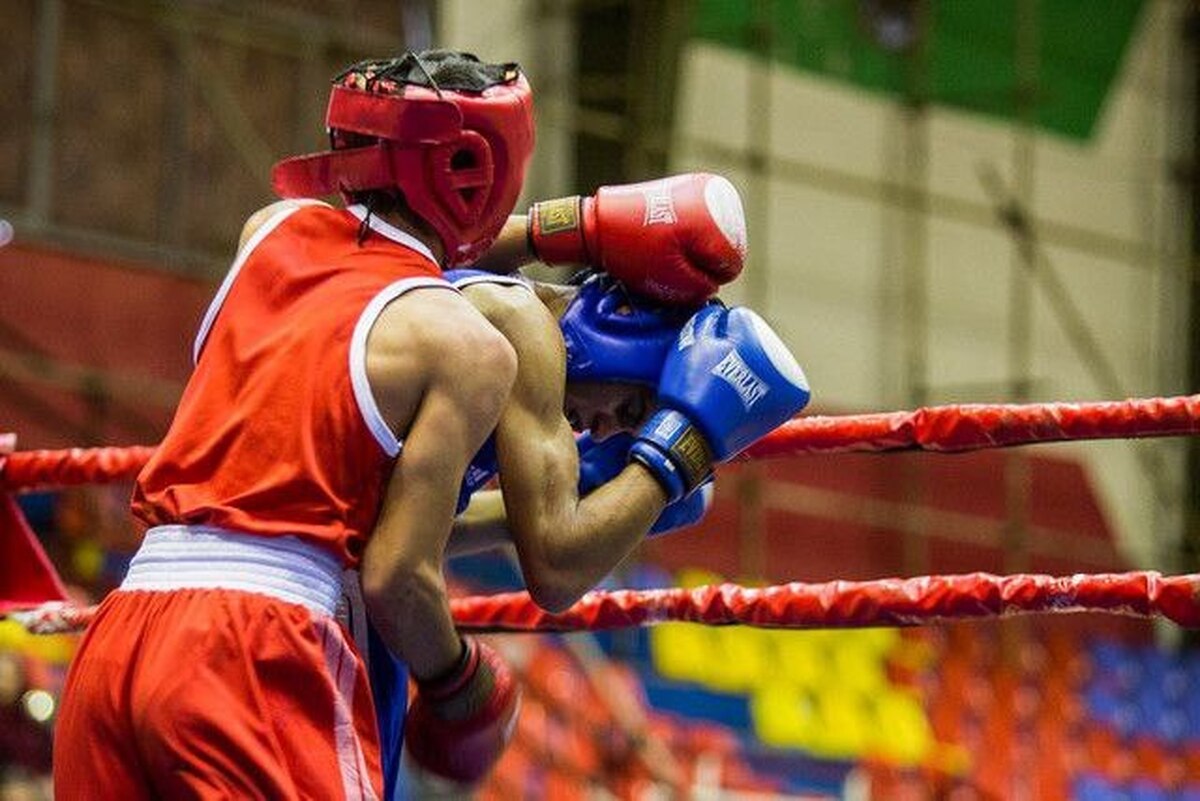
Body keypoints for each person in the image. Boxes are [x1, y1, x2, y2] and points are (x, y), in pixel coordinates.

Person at [51, 49, 806, 800]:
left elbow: (359, 514)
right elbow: (475, 574)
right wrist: (682, 443)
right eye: (632, 409)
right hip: (263, 649)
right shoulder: (477, 343)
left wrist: (572, 228)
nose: (603, 429)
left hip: (123, 635)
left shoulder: (272, 232)